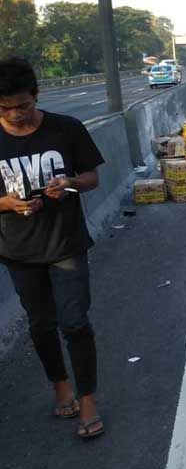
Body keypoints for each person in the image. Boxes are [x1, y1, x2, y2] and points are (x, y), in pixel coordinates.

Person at [0, 57, 106, 439]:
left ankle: (88, 400)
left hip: (65, 244)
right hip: (19, 252)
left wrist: (70, 183)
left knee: (75, 322)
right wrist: (6, 203)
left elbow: (92, 177)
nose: (16, 114)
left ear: (37, 95)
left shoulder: (66, 128)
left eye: (23, 105)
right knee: (41, 325)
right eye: (5, 108)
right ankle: (61, 387)